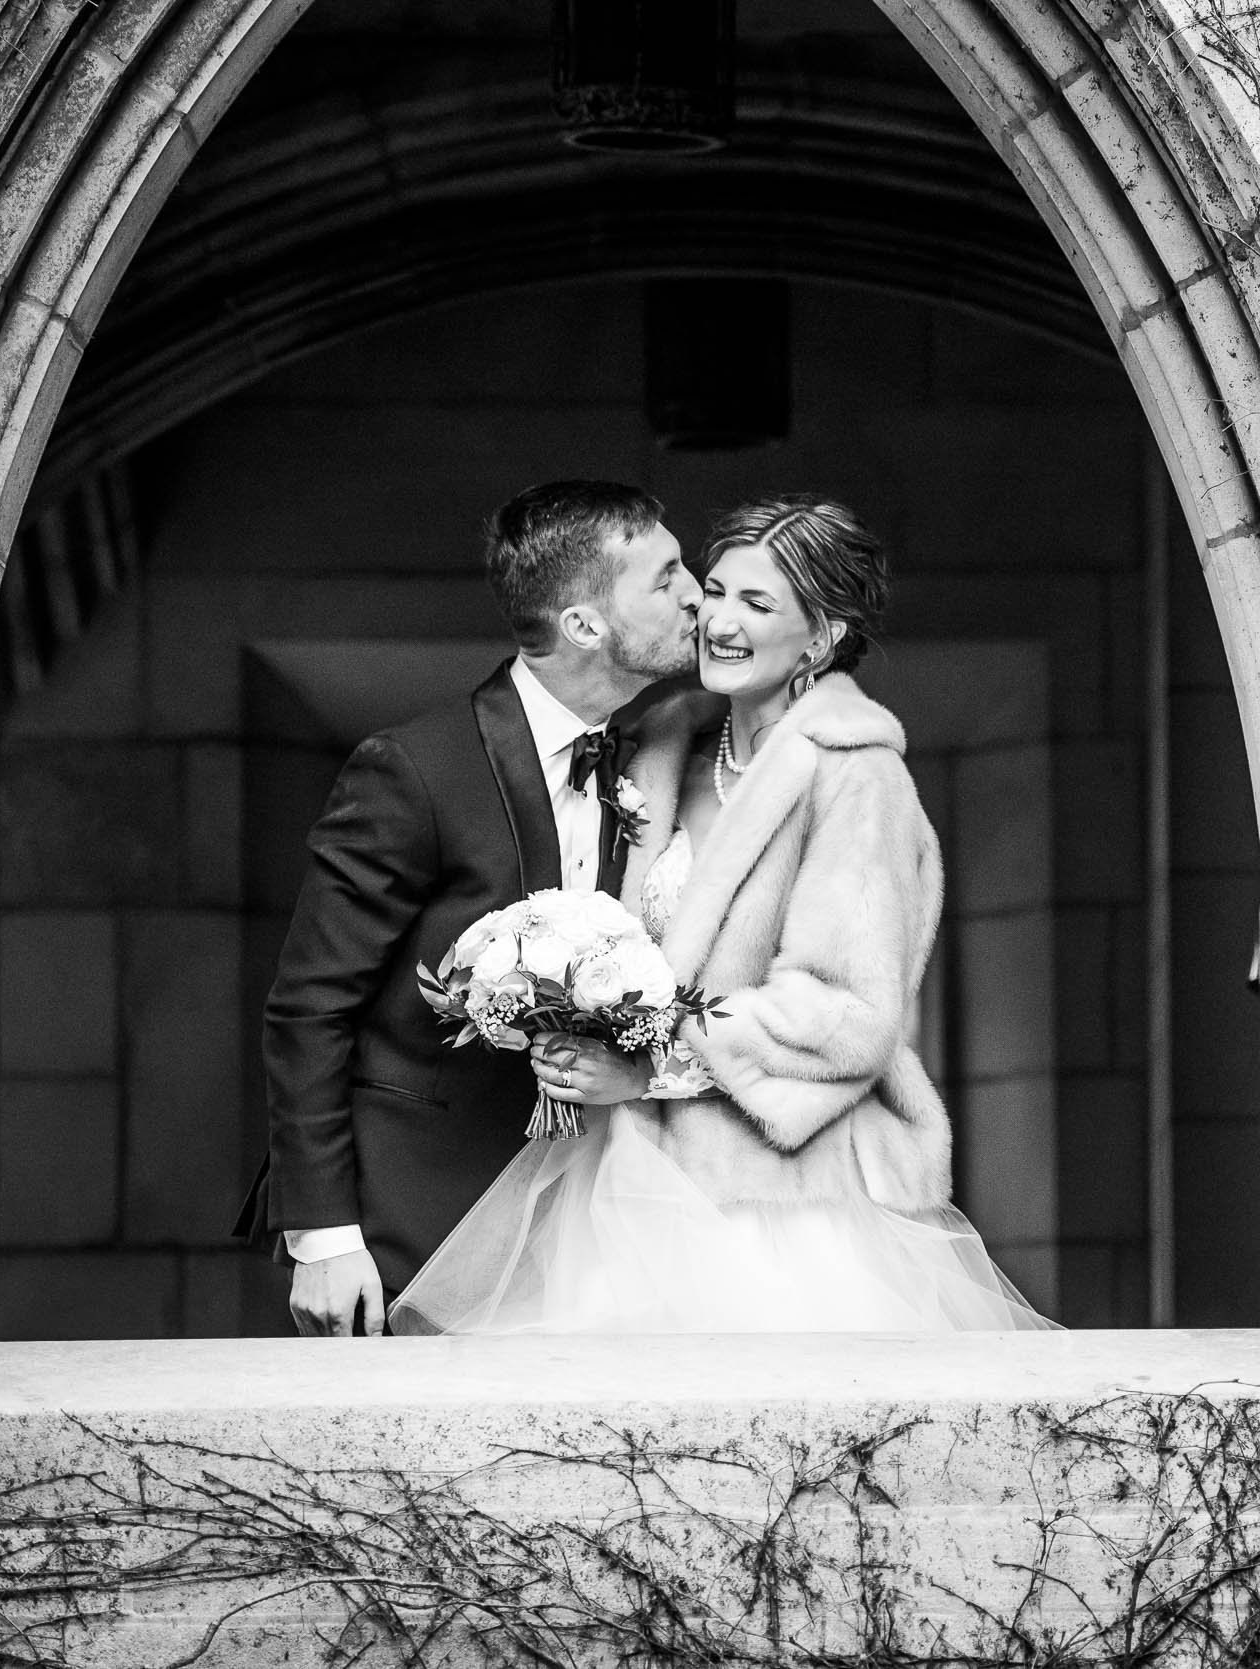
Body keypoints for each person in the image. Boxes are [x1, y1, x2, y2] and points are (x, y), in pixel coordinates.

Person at [389, 497, 1053, 1334]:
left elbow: (846, 1010)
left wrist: (651, 1065)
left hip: (780, 1207)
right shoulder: (662, 755)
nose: (717, 618)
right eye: (716, 589)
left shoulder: (856, 779)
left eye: (759, 603)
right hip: (625, 1181)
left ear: (822, 637)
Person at [239, 481, 707, 1336]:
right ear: (584, 625)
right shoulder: (413, 769)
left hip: (583, 1226)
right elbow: (309, 1006)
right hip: (409, 1227)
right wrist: (323, 1236)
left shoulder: (647, 766)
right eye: (666, 574)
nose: (695, 590)